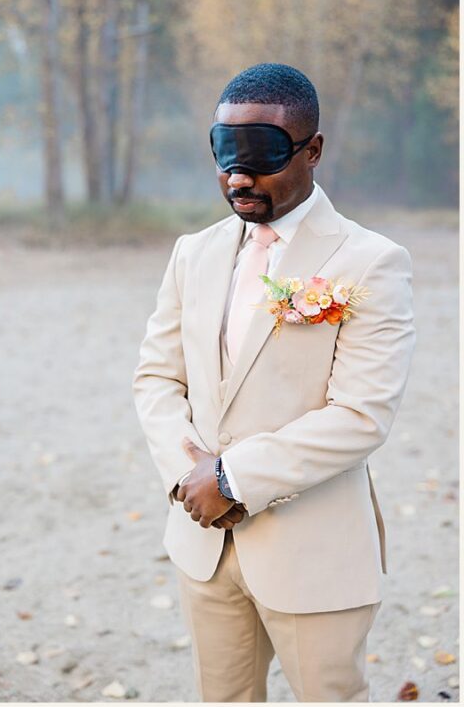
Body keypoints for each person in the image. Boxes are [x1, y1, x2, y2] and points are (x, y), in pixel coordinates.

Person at [132, 63, 416, 701]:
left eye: (261, 157)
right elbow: (156, 378)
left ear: (313, 150)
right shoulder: (193, 252)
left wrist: (233, 478)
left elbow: (362, 415)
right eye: (225, 154)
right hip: (204, 546)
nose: (238, 176)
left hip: (313, 550)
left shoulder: (371, 262)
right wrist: (189, 476)